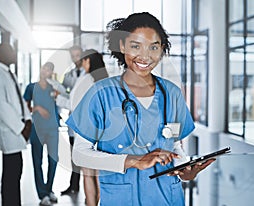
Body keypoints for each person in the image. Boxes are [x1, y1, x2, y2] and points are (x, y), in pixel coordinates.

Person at [67, 12, 215, 206]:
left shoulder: (172, 94)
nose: (145, 56)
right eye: (136, 46)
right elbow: (80, 153)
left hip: (168, 198)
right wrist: (132, 160)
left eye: (153, 47)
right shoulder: (100, 94)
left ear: (162, 49)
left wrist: (184, 168)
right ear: (122, 46)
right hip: (121, 199)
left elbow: (175, 145)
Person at [58, 49, 108, 206]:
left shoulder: (85, 78)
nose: (83, 63)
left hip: (86, 131)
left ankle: (90, 204)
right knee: (99, 173)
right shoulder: (104, 79)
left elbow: (74, 104)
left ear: (89, 62)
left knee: (88, 173)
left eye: (85, 60)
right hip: (102, 131)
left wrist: (58, 98)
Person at [0, 43, 32, 206]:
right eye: (10, 50)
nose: (13, 53)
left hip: (17, 131)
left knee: (16, 172)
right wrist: (22, 128)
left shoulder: (7, 74)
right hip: (10, 132)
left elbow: (19, 101)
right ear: (2, 54)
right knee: (11, 176)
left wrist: (28, 120)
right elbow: (2, 108)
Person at [23, 62, 60, 206]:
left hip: (52, 128)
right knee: (37, 161)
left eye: (50, 70)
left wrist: (58, 89)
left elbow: (65, 99)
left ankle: (49, 189)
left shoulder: (54, 87)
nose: (47, 71)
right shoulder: (31, 87)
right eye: (45, 68)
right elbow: (25, 108)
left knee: (53, 160)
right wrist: (37, 108)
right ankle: (42, 194)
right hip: (37, 129)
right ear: (41, 69)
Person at [60, 45, 85, 195]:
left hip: (83, 124)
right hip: (73, 123)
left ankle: (89, 191)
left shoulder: (88, 76)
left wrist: (59, 98)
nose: (76, 59)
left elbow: (75, 100)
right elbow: (66, 93)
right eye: (73, 56)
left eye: (78, 55)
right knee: (74, 158)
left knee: (85, 159)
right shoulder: (69, 75)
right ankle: (74, 185)